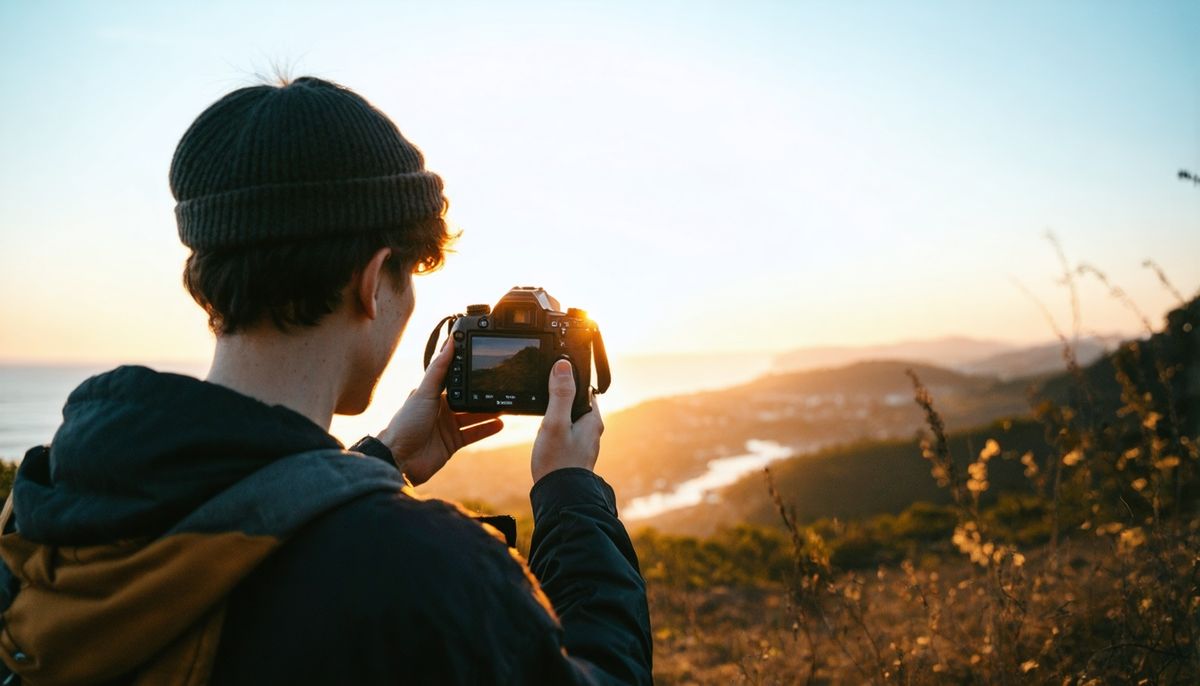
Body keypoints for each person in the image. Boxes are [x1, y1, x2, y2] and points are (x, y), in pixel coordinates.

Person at [0, 76, 652, 685]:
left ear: (207, 281)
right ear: (372, 282)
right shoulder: (425, 573)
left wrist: (378, 461)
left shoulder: (47, 513)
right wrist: (571, 496)